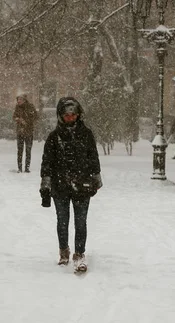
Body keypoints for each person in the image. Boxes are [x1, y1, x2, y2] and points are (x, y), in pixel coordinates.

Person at [39, 97, 102, 273]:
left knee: (81, 222)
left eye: (73, 115)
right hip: (60, 187)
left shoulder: (86, 134)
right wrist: (45, 185)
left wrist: (96, 178)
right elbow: (47, 163)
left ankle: (80, 254)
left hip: (82, 185)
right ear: (61, 116)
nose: (70, 118)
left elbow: (93, 157)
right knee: (62, 221)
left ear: (78, 115)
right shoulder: (53, 137)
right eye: (67, 115)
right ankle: (64, 252)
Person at [12, 94, 38, 173]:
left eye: (20, 99)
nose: (18, 101)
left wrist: (26, 121)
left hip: (29, 132)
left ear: (24, 100)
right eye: (18, 99)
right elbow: (14, 116)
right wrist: (18, 119)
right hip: (20, 132)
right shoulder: (17, 107)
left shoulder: (30, 107)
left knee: (28, 150)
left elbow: (36, 117)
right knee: (20, 150)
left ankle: (27, 168)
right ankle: (19, 168)